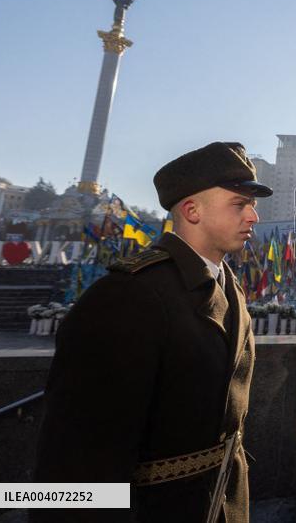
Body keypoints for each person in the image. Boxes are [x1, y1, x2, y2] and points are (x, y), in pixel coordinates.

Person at [33, 141, 272, 523]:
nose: (254, 217)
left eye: (252, 205)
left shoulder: (229, 285)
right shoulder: (129, 294)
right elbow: (77, 457)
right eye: (239, 204)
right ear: (192, 211)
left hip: (222, 502)